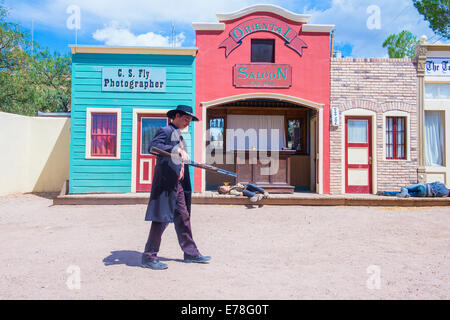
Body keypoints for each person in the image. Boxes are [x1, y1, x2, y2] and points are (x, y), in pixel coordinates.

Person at [142, 105, 211, 270]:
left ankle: (191, 253)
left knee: (183, 217)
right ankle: (149, 257)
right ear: (177, 116)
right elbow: (153, 147)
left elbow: (177, 158)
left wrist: (189, 160)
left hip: (177, 184)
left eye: (190, 120)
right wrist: (176, 150)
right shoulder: (166, 130)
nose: (188, 122)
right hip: (165, 185)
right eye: (186, 118)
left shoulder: (178, 135)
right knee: (160, 220)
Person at [377, 181, 449, 198]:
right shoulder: (444, 194)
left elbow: (432, 183)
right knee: (405, 193)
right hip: (424, 194)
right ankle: (404, 194)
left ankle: (384, 192)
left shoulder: (442, 185)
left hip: (424, 187)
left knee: (404, 188)